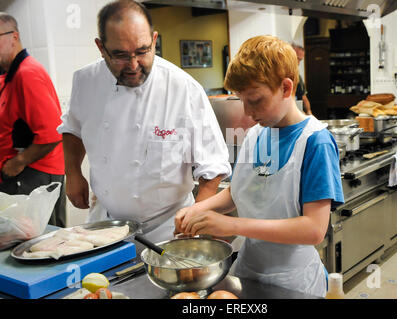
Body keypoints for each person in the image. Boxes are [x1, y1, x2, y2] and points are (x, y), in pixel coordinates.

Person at [175, 35, 344, 297]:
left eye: (255, 100)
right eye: (242, 100)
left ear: (286, 88)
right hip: (248, 274)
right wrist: (197, 209)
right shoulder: (258, 134)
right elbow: (239, 191)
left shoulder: (315, 142)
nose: (247, 111)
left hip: (292, 282)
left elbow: (313, 230)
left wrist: (232, 226)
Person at [57, 0, 231, 243]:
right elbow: (73, 128)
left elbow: (212, 167)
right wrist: (73, 172)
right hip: (104, 225)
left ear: (154, 39)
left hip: (167, 227)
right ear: (101, 47)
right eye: (120, 55)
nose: (133, 65)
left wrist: (195, 220)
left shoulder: (183, 88)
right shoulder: (86, 81)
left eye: (142, 51)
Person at [0, 13, 66, 227]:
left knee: (40, 246)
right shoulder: (11, 75)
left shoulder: (27, 74)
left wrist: (17, 163)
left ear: (14, 36)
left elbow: (52, 134)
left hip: (34, 175)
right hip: (24, 174)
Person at [292, 43, 312, 115]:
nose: (298, 63)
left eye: (300, 60)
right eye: (297, 58)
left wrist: (309, 113)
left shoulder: (298, 77)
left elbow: (304, 97)